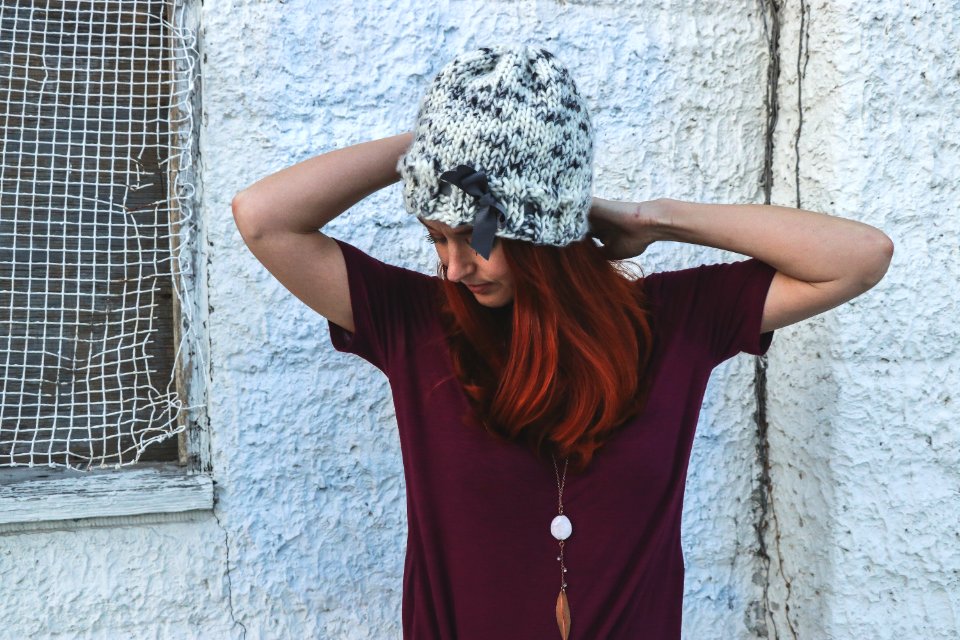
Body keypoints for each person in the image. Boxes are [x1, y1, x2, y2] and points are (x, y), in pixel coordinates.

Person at [231, 45, 892, 640]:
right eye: (438, 238)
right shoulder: (418, 324)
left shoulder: (673, 322)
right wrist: (442, 142)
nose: (454, 267)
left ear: (543, 234)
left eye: (476, 238)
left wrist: (652, 219)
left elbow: (860, 256)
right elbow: (263, 219)